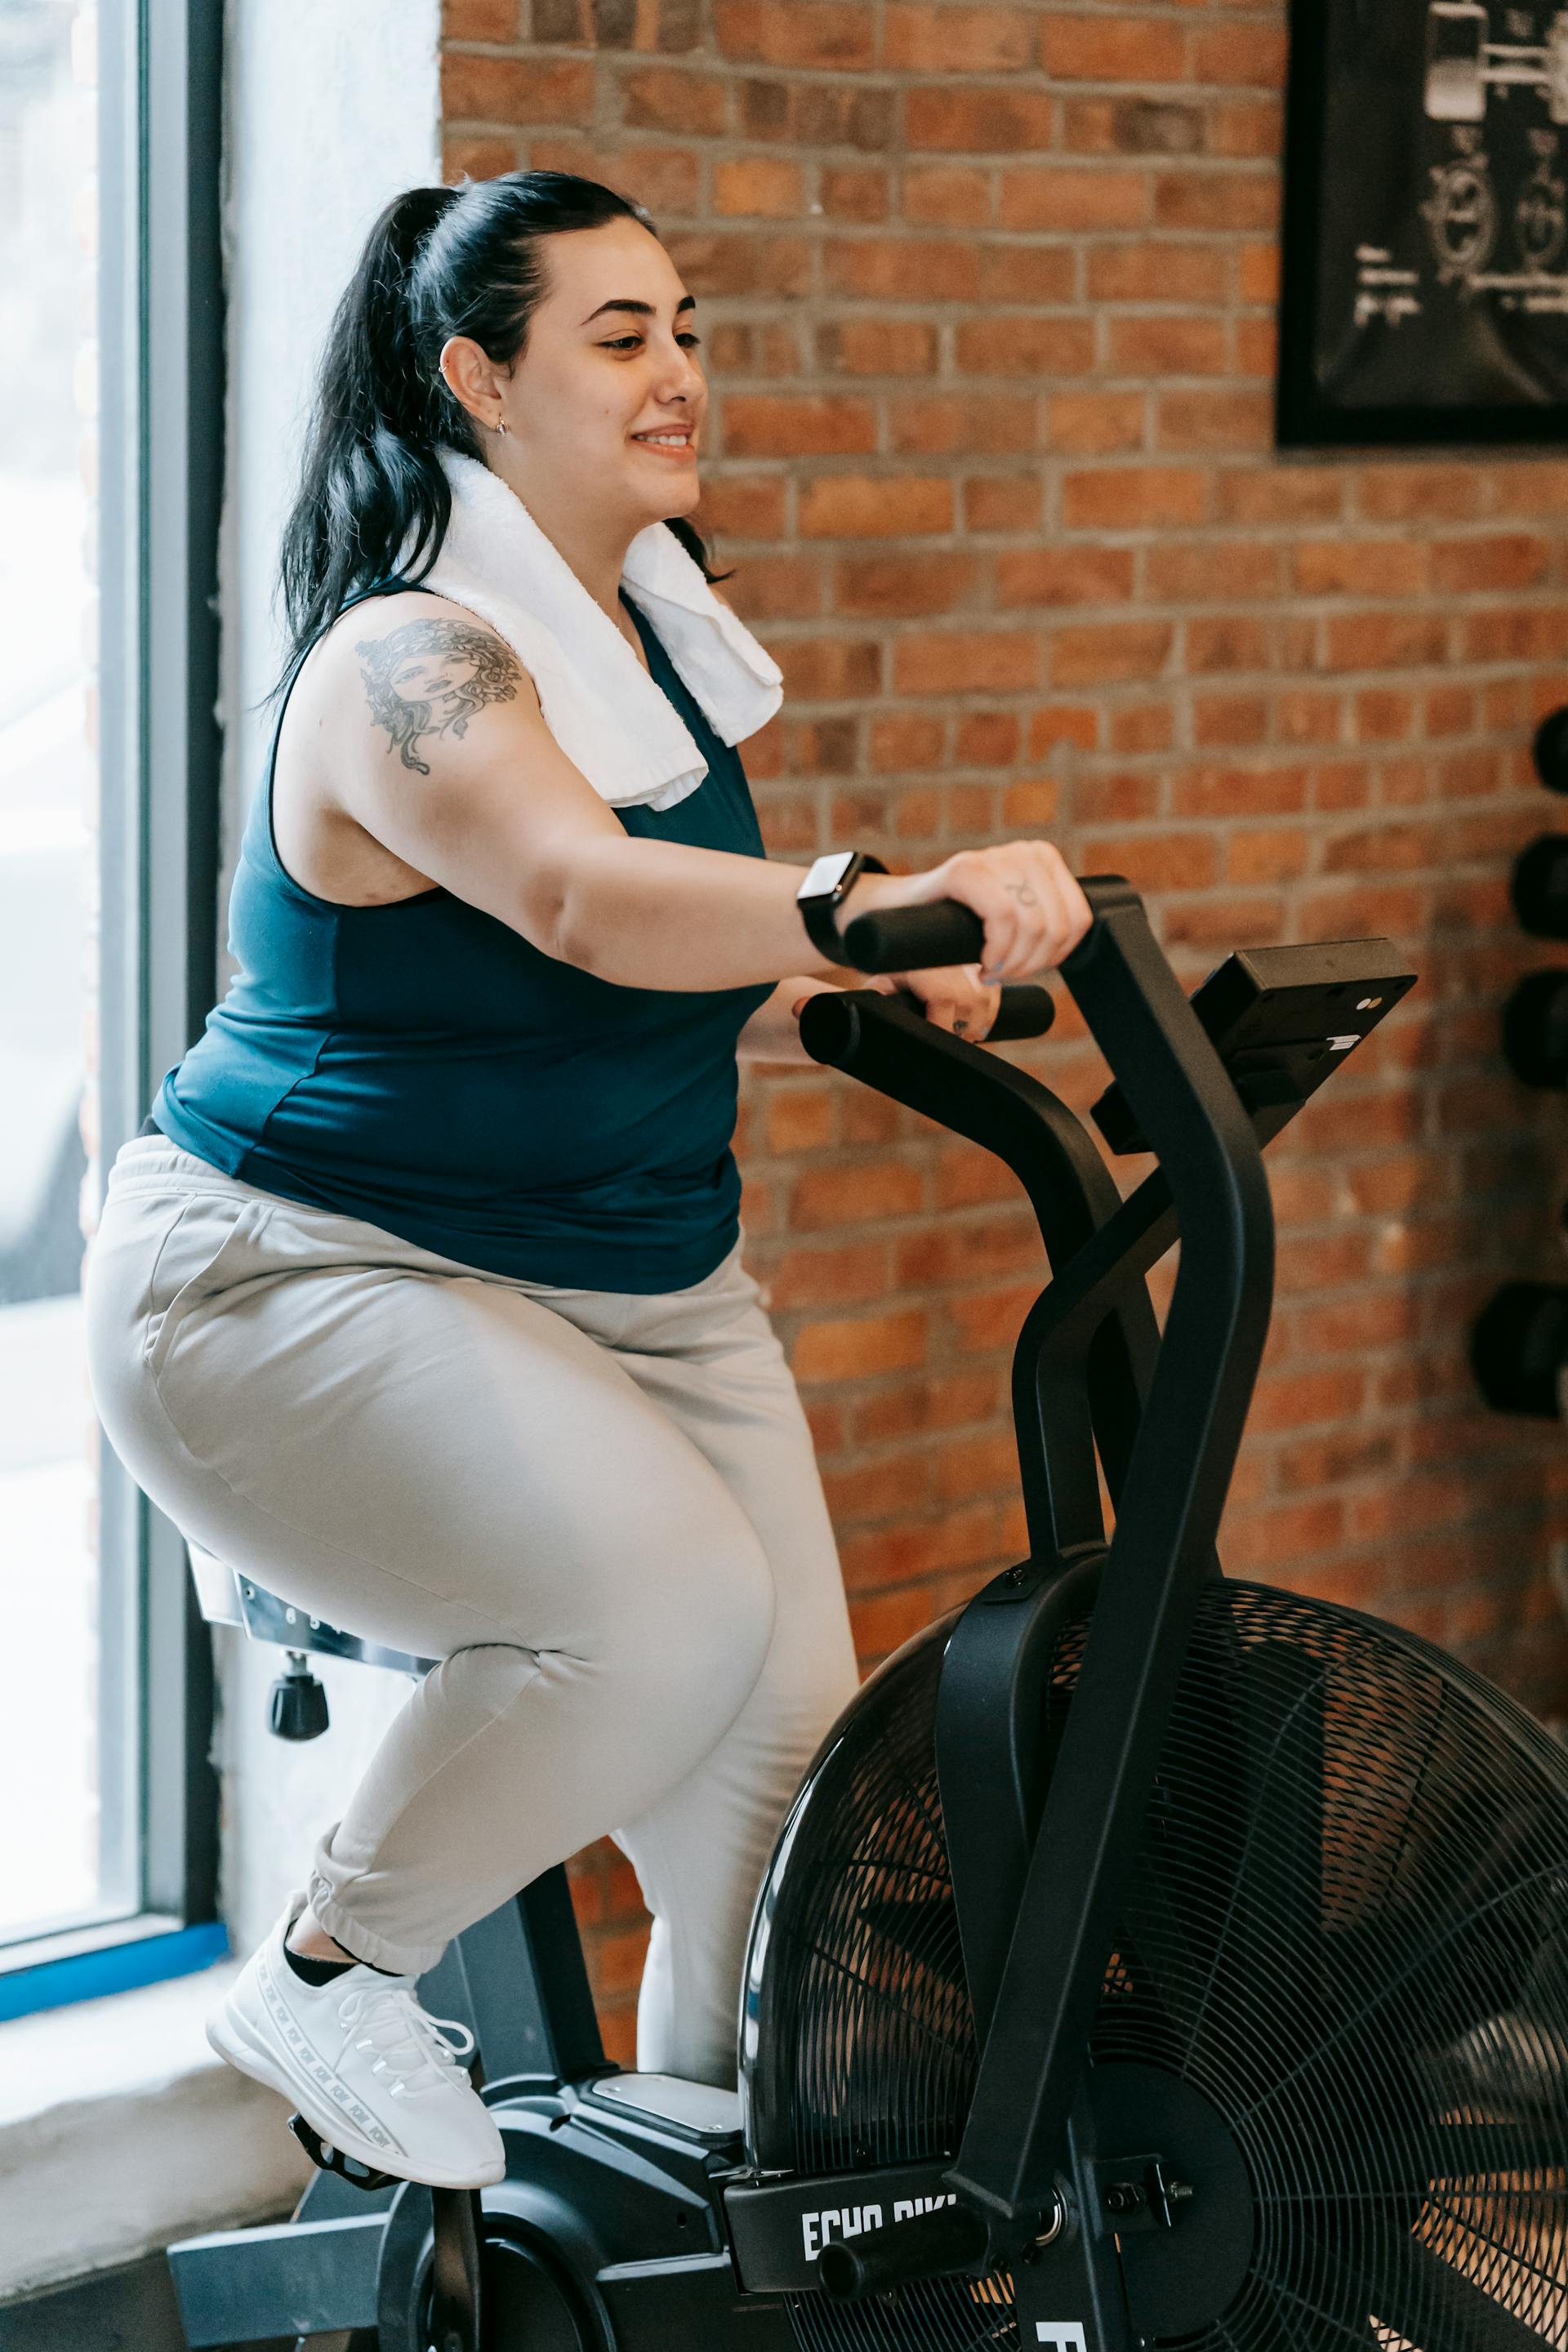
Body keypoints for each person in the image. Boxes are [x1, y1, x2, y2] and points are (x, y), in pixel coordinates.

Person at [82, 171, 1089, 2194]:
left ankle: (717, 2166)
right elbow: (576, 893)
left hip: (631, 1275)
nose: (676, 377)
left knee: (789, 1736)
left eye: (685, 329)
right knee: (667, 1611)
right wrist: (860, 903)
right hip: (294, 1274)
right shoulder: (408, 661)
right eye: (617, 338)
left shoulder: (653, 648)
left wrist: (902, 964)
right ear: (477, 378)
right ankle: (329, 1962)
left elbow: (690, 941)